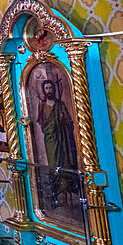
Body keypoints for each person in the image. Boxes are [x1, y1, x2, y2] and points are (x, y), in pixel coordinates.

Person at [38, 79, 78, 208]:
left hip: (62, 140)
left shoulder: (60, 105)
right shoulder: (42, 105)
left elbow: (69, 121)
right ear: (44, 90)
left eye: (50, 88)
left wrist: (63, 121)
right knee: (53, 164)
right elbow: (42, 122)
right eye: (46, 88)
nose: (49, 90)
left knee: (64, 162)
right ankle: (56, 194)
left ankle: (65, 192)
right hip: (51, 140)